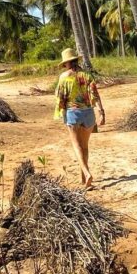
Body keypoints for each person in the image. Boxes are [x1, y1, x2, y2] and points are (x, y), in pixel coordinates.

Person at [54, 47, 105, 188]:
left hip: (73, 113)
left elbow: (60, 97)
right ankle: (85, 181)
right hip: (89, 113)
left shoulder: (64, 77)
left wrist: (61, 112)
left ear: (67, 63)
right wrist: (102, 112)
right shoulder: (87, 75)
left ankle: (87, 173)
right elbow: (95, 94)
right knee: (85, 146)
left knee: (77, 146)